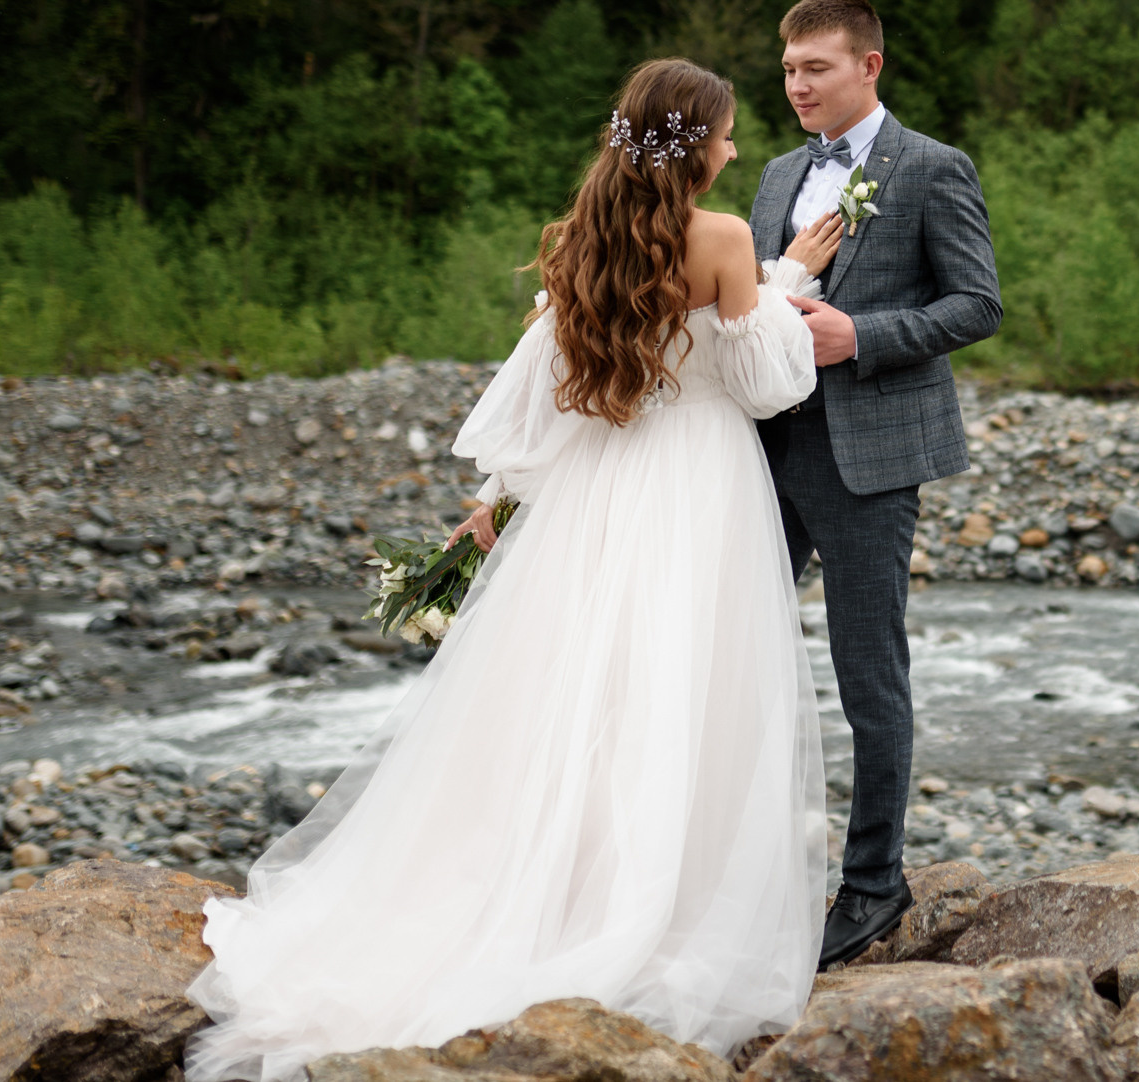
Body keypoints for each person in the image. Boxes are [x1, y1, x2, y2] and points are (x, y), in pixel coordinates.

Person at [186, 58, 824, 1082]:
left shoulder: (582, 243)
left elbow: (545, 394)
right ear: (693, 142)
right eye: (729, 133)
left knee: (572, 693)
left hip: (595, 491)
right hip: (698, 488)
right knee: (676, 694)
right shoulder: (724, 239)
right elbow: (764, 386)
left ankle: (548, 883)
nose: (738, 148)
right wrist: (786, 291)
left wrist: (493, 502)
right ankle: (643, 906)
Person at [750, 0, 1002, 969]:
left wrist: (862, 336)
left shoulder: (933, 169)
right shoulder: (775, 177)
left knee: (869, 676)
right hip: (760, 452)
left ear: (869, 67)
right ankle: (742, 873)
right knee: (731, 656)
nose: (797, 85)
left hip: (871, 458)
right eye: (786, 70)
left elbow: (975, 304)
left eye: (815, 67)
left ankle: (872, 885)